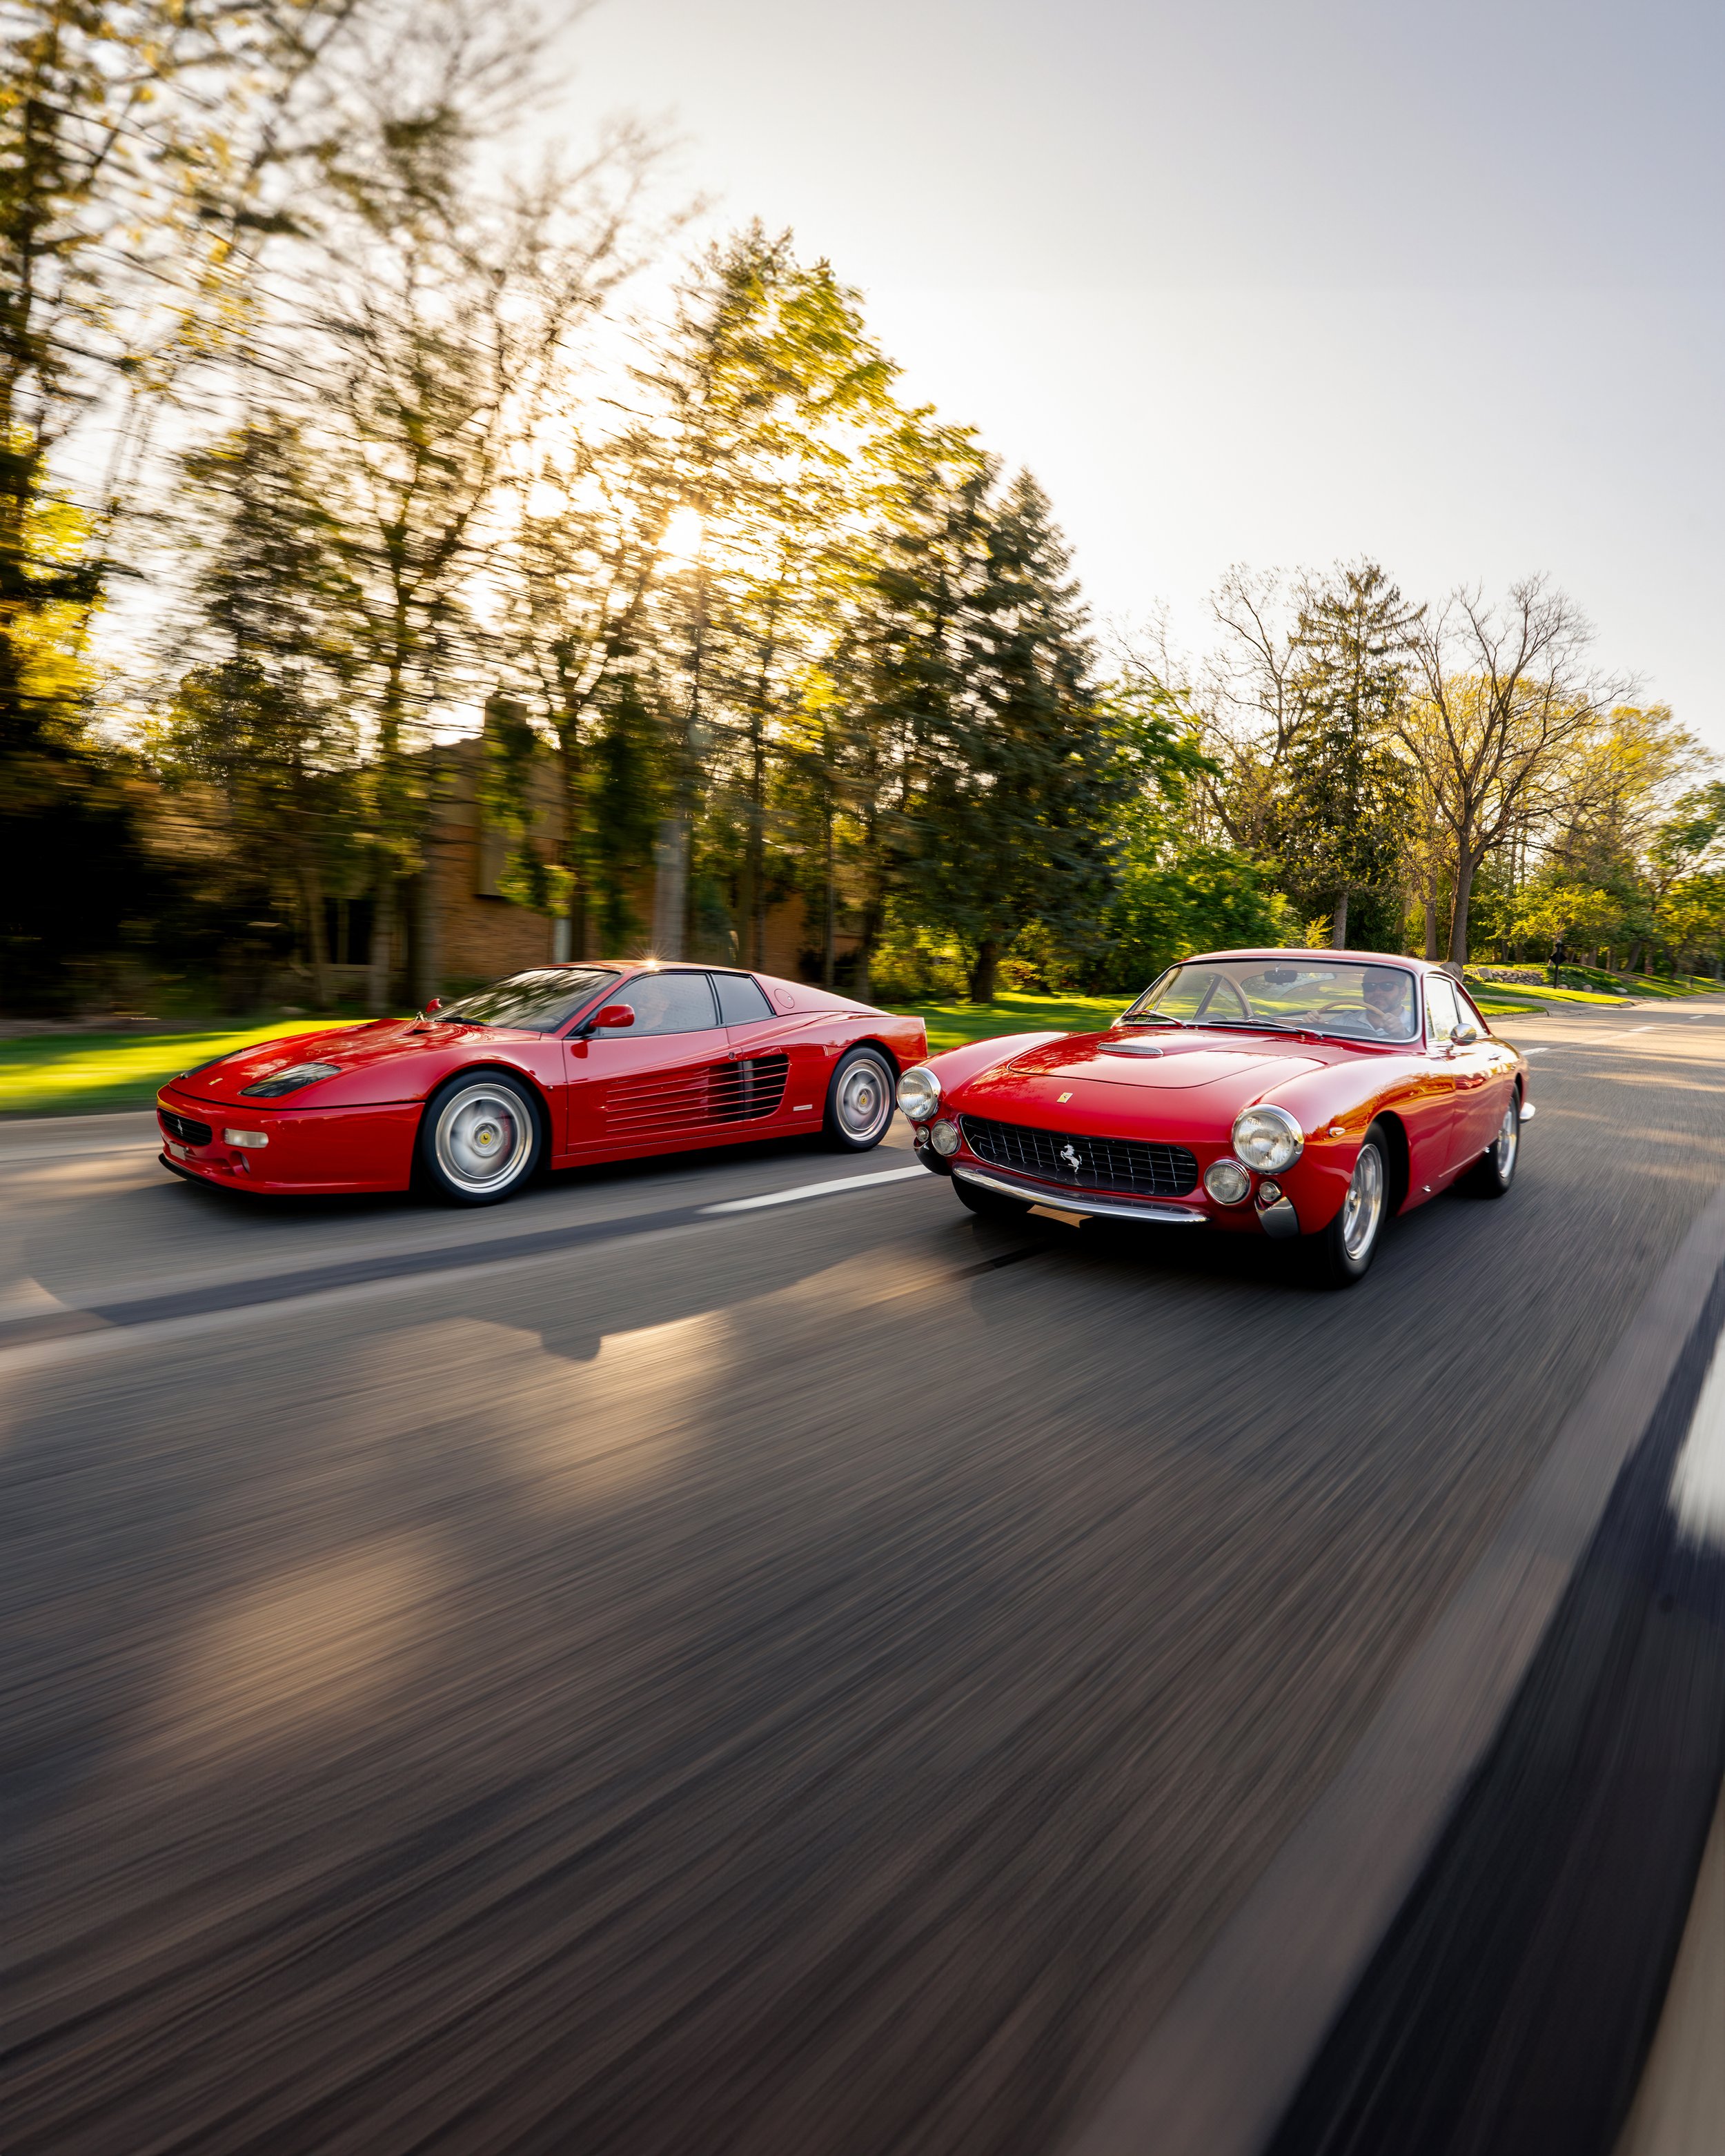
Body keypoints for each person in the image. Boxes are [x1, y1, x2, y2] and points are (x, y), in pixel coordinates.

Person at [1359, 967, 1416, 1038]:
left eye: (1387, 986)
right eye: (1370, 986)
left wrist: (1404, 1035)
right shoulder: (1344, 1021)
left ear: (1402, 992)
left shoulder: (1418, 1026)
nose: (1377, 992)